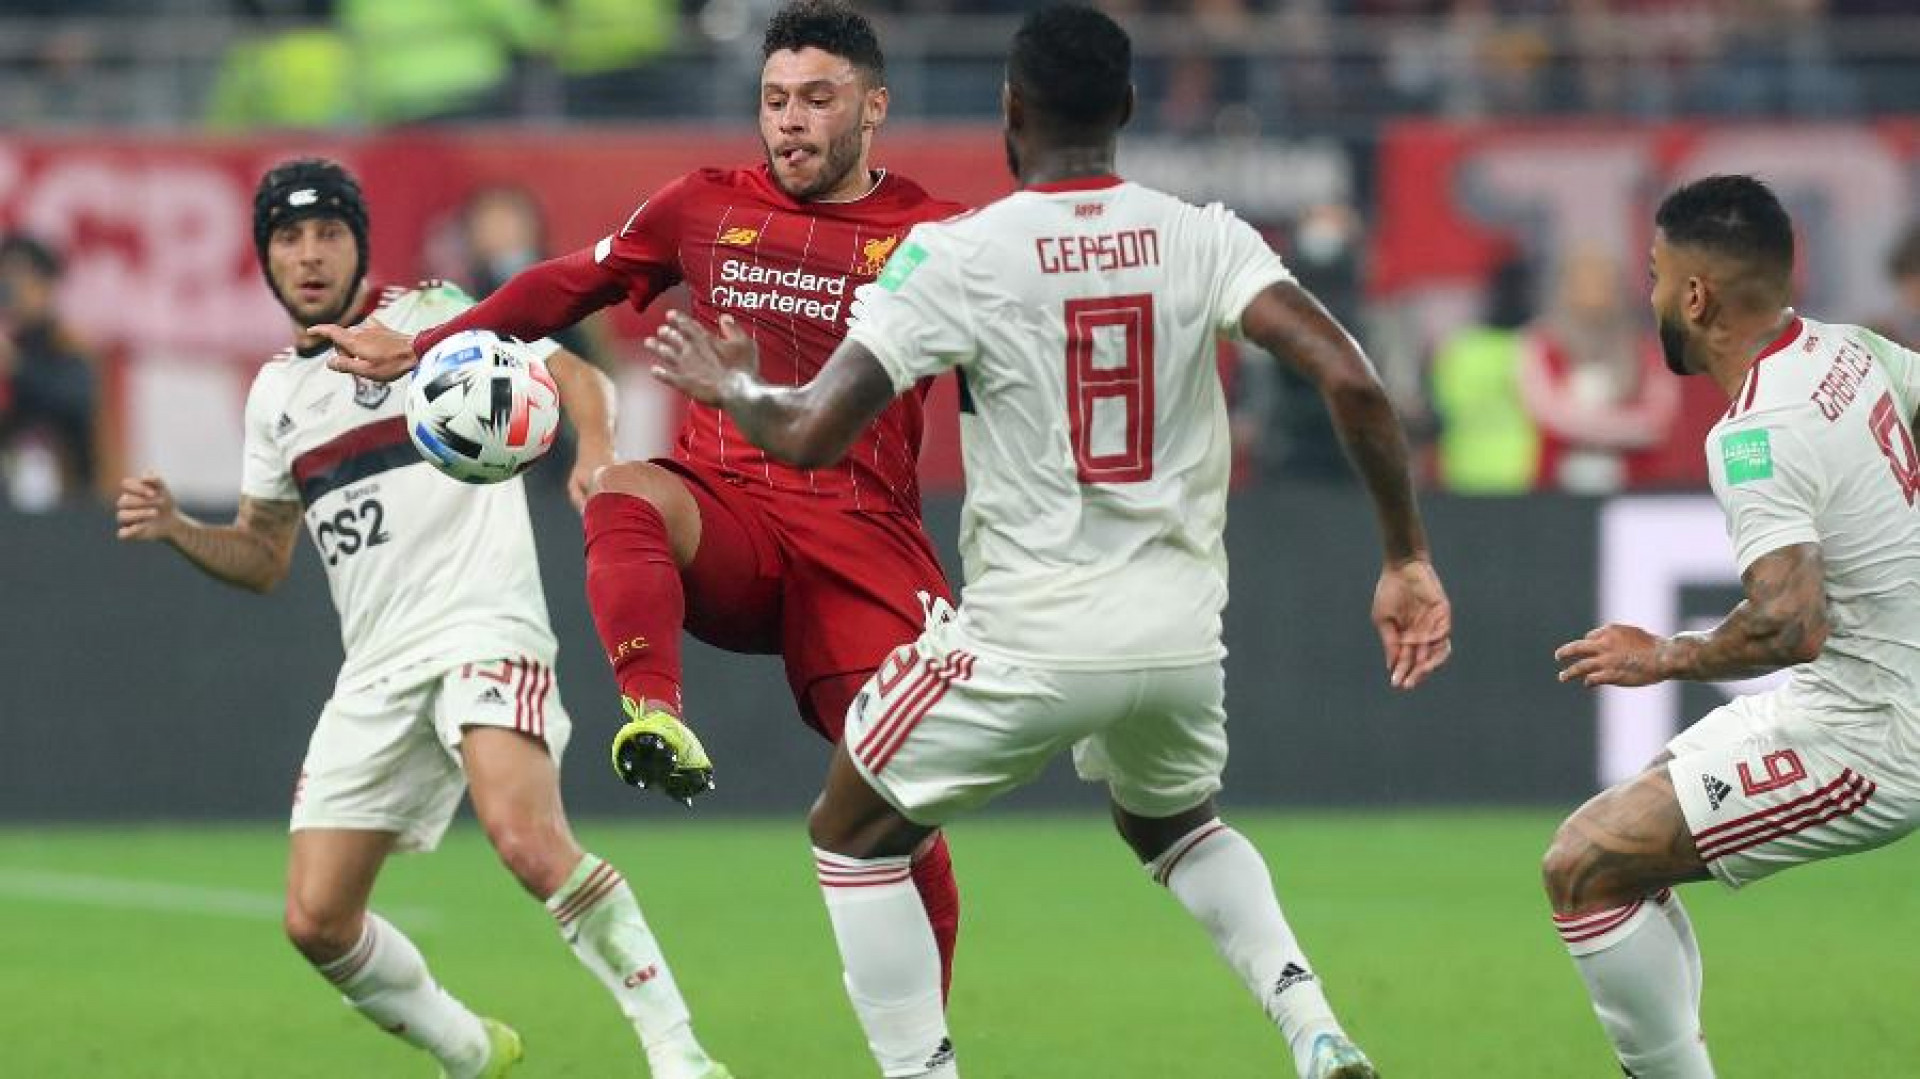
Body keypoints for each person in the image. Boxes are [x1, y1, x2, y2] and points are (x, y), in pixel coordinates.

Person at [644, 7, 1453, 1078]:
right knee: (1172, 824)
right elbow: (1350, 376)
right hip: (1176, 644)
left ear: (1009, 112)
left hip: (1028, 639)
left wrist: (732, 386)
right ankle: (1313, 1024)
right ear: (1124, 108)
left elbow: (809, 432)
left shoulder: (960, 253)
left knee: (849, 825)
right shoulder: (1205, 233)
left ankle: (922, 1071)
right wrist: (1404, 556)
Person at [315, 0, 968, 996]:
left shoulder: (936, 235)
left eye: (817, 100)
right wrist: (426, 345)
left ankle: (925, 1050)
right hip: (733, 525)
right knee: (624, 489)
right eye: (774, 100)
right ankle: (653, 713)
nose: (790, 120)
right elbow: (571, 284)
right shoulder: (703, 206)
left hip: (862, 544)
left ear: (874, 107)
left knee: (897, 806)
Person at [114, 159, 729, 1079]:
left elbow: (577, 374)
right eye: (289, 237)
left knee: (525, 838)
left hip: (485, 622)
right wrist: (177, 529)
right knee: (316, 920)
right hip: (376, 666)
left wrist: (593, 449)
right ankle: (469, 1049)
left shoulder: (431, 320)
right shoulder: (277, 397)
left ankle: (679, 1051)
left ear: (361, 241)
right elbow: (264, 555)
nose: (311, 254)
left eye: (329, 232)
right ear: (264, 258)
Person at [1545, 174, 1920, 1078]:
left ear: (1697, 295)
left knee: (1585, 865)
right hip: (1845, 697)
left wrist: (1665, 654)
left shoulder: (1753, 433)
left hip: (1875, 735)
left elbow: (1792, 623)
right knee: (1620, 836)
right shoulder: (1850, 349)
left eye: (1655, 275)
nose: (1652, 297)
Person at [0, 233, 98, 507]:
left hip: (66, 499)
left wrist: (16, 367)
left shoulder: (68, 344)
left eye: (19, 276)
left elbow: (75, 402)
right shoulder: (11, 340)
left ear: (46, 285)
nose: (10, 289)